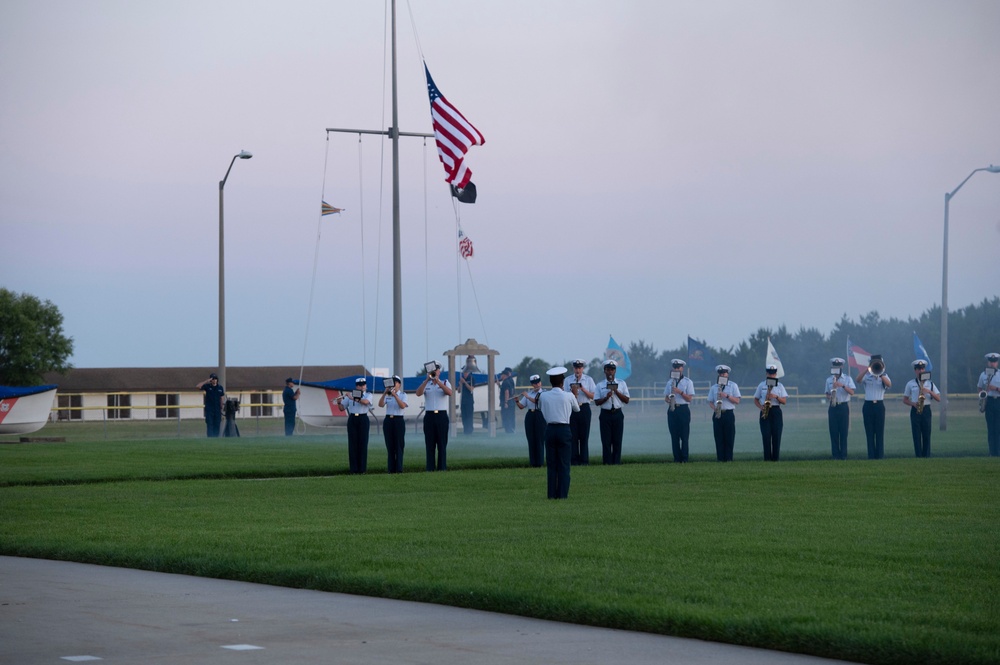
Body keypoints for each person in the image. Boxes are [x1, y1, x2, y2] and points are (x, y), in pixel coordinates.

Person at [538, 367, 579, 499]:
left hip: (550, 429)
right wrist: (575, 394)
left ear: (551, 382)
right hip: (564, 430)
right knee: (564, 465)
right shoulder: (568, 395)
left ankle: (551, 494)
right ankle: (562, 494)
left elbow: (540, 407)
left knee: (551, 465)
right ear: (562, 383)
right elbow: (577, 409)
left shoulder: (543, 396)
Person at [416, 361, 453, 471]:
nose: (434, 372)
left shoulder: (445, 382)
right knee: (430, 444)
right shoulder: (426, 383)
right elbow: (418, 393)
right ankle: (430, 468)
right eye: (432, 371)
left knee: (442, 444)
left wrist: (438, 383)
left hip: (441, 415)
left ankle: (442, 468)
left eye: (436, 370)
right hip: (429, 416)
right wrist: (427, 379)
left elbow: (449, 393)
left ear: (439, 371)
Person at [594, 359, 630, 465]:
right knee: (606, 441)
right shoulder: (600, 385)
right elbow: (596, 402)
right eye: (608, 369)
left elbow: (627, 400)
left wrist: (616, 391)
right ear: (604, 371)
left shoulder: (622, 383)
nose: (610, 372)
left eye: (612, 370)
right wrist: (606, 397)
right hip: (605, 414)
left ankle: (616, 462)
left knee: (617, 440)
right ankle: (607, 462)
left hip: (617, 413)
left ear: (615, 371)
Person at [902, 360, 940, 458]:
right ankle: (918, 455)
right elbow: (905, 400)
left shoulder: (930, 383)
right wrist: (913, 404)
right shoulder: (910, 383)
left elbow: (939, 398)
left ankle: (926, 455)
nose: (921, 370)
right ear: (915, 370)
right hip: (915, 409)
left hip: (926, 409)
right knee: (916, 434)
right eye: (918, 369)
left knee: (926, 433)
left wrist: (929, 392)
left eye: (922, 368)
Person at [857, 355, 891, 460]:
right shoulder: (867, 376)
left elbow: (889, 384)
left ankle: (879, 455)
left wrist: (880, 374)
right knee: (869, 432)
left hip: (879, 405)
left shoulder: (884, 376)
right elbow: (858, 380)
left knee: (879, 432)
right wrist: (867, 369)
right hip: (868, 405)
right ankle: (871, 455)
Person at [337, 377, 372, 473]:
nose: (361, 387)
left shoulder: (368, 395)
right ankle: (354, 469)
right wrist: (339, 401)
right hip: (353, 419)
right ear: (356, 386)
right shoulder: (350, 395)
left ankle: (362, 469)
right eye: (359, 385)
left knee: (363, 444)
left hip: (363, 418)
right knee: (353, 444)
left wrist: (352, 398)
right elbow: (341, 408)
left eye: (363, 385)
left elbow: (365, 402)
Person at [753, 365, 788, 461]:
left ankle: (776, 459)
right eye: (770, 373)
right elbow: (755, 399)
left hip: (776, 410)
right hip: (765, 410)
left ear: (776, 374)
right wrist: (761, 407)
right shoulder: (761, 385)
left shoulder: (780, 386)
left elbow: (784, 401)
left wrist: (776, 397)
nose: (772, 375)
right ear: (766, 374)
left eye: (773, 374)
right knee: (766, 436)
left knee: (776, 436)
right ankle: (767, 459)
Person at [565, 359, 596, 465]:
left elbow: (594, 396)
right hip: (572, 409)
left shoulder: (588, 380)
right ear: (573, 368)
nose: (578, 370)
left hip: (584, 408)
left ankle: (584, 460)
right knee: (573, 436)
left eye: (579, 368)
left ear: (582, 368)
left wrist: (583, 389)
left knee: (584, 436)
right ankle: (573, 460)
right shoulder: (568, 380)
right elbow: (564, 396)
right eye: (576, 368)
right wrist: (573, 393)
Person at [664, 359, 695, 462]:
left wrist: (680, 392)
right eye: (675, 367)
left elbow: (689, 398)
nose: (676, 369)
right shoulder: (669, 382)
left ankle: (685, 458)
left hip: (683, 409)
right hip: (672, 409)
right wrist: (669, 399)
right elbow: (666, 397)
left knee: (684, 436)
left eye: (678, 367)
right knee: (674, 436)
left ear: (682, 368)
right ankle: (676, 459)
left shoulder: (688, 382)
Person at [706, 365, 740, 461]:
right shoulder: (714, 387)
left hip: (728, 413)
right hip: (718, 413)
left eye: (724, 373)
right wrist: (715, 409)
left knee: (729, 438)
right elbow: (710, 401)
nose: (722, 375)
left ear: (727, 374)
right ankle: (720, 459)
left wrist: (727, 396)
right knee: (718, 438)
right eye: (720, 373)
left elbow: (737, 401)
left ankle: (728, 459)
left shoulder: (733, 385)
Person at [825, 358, 855, 460]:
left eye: (838, 366)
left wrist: (842, 386)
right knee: (833, 432)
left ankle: (843, 455)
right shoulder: (829, 380)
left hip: (843, 406)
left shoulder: (847, 378)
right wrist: (831, 395)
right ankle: (835, 455)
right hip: (833, 406)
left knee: (843, 432)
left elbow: (852, 392)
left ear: (842, 366)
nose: (836, 368)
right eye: (835, 366)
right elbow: (827, 394)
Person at [515, 374, 546, 467]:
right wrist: (517, 401)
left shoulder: (543, 393)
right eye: (534, 383)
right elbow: (521, 406)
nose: (537, 385)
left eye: (538, 382)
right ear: (532, 384)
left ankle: (539, 462)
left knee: (539, 439)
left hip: (539, 415)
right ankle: (533, 463)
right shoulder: (530, 393)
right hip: (530, 415)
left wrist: (527, 396)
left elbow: (537, 401)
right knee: (531, 439)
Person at [378, 375, 408, 473]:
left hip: (398, 420)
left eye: (395, 382)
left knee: (398, 445)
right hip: (388, 420)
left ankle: (399, 468)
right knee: (390, 445)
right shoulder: (388, 395)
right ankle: (390, 468)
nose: (393, 385)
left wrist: (395, 395)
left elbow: (402, 406)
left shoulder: (403, 395)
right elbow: (380, 404)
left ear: (399, 384)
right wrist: (385, 393)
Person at [979, 352, 1000, 456]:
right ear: (988, 362)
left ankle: (998, 451)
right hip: (989, 401)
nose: (993, 364)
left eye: (995, 362)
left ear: (997, 363)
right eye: (991, 362)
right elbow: (979, 387)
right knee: (991, 428)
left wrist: (995, 388)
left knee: (998, 427)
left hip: (999, 401)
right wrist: (982, 394)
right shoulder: (983, 375)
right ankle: (992, 452)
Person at [196, 373, 225, 438]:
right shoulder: (207, 387)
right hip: (209, 410)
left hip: (217, 410)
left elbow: (221, 398)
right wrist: (206, 381)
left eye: (215, 379)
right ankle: (210, 438)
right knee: (210, 424)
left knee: (217, 424)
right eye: (213, 379)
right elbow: (198, 386)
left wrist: (221, 407)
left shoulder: (220, 388)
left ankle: (216, 438)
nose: (214, 380)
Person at [458, 355, 478, 435]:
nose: (464, 373)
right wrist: (460, 384)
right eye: (464, 372)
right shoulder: (461, 379)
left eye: (466, 372)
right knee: (464, 416)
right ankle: (465, 430)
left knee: (469, 417)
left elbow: (471, 389)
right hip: (463, 401)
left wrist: (465, 383)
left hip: (469, 401)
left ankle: (470, 430)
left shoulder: (471, 379)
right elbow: (459, 391)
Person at [499, 367, 516, 433]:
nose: (501, 376)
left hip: (507, 403)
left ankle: (508, 431)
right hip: (511, 402)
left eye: (502, 375)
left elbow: (506, 392)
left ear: (504, 375)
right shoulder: (511, 381)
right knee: (511, 417)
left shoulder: (505, 382)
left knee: (506, 417)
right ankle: (511, 429)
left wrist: (506, 402)